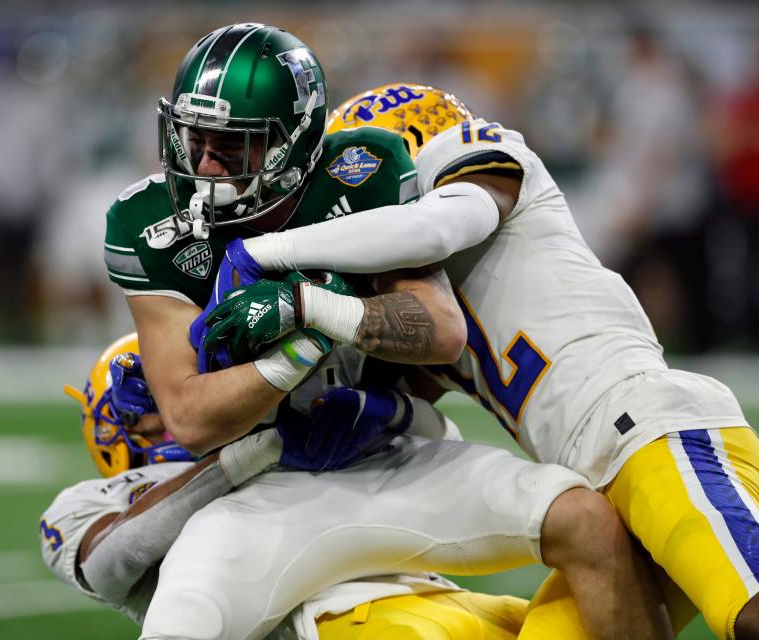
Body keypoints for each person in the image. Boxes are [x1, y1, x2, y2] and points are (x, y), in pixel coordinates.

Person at [104, 24, 669, 640]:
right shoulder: (149, 223)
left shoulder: (361, 174)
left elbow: (439, 329)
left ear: (293, 145)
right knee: (178, 628)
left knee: (589, 522)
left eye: (232, 146)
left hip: (392, 457)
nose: (204, 162)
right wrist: (309, 338)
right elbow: (190, 415)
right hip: (263, 488)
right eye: (193, 138)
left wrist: (306, 306)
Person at [212, 81, 758, 639]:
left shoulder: (473, 157)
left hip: (650, 427)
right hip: (601, 494)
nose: (350, 194)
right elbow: (392, 408)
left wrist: (268, 252)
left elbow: (439, 225)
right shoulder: (422, 292)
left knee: (750, 612)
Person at [42, 334, 542, 640]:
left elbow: (437, 453)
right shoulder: (89, 504)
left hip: (443, 596)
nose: (165, 419)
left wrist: (392, 411)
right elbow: (113, 560)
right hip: (337, 622)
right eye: (150, 405)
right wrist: (256, 451)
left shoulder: (279, 426)